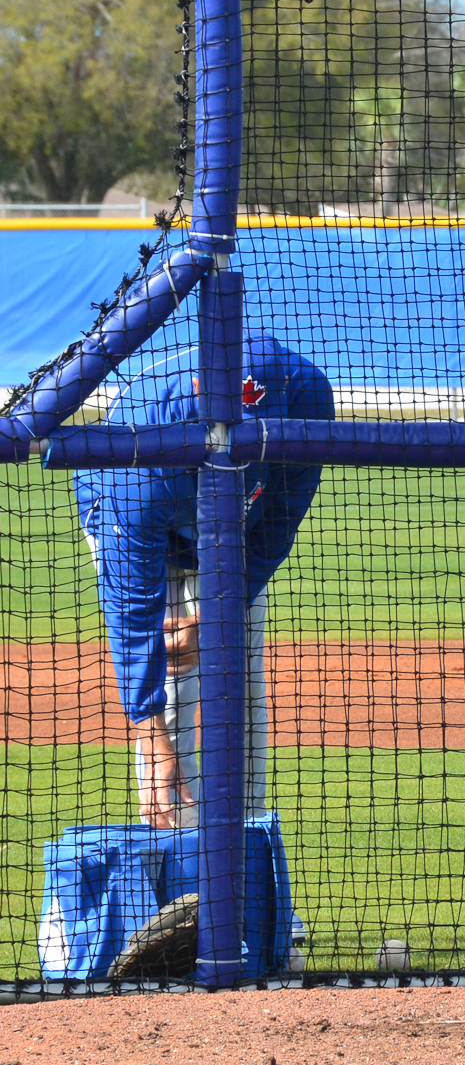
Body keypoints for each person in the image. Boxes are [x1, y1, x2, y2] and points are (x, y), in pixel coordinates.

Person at [75, 333, 335, 829]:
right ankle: (181, 859)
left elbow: (278, 523)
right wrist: (154, 743)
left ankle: (246, 850)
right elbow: (132, 614)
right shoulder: (141, 467)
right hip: (139, 521)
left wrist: (217, 617)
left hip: (235, 533)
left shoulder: (304, 397)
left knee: (237, 680)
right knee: (172, 687)